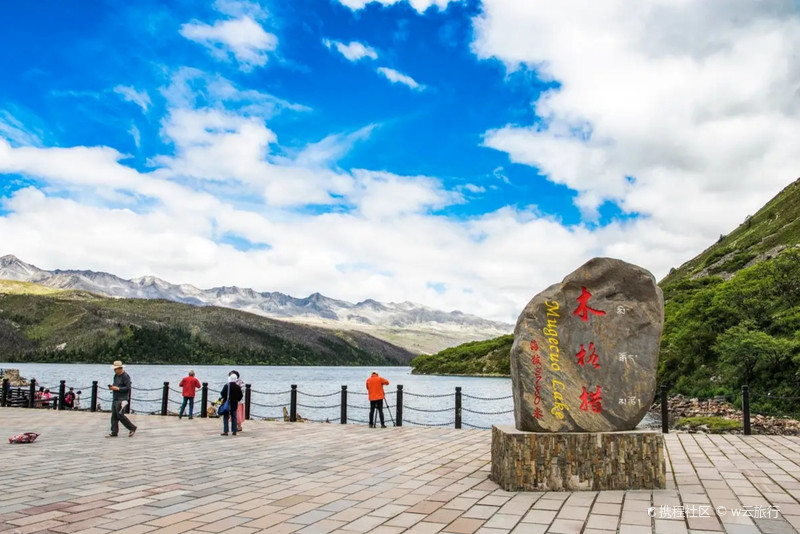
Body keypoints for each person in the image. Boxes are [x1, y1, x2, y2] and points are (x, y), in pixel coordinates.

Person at [107, 360, 137, 438]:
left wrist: (118, 388)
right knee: (114, 415)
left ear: (120, 368)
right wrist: (112, 387)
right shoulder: (115, 376)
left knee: (120, 415)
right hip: (115, 398)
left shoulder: (125, 376)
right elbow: (115, 385)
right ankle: (114, 431)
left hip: (122, 399)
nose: (114, 370)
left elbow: (128, 388)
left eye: (115, 369)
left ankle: (132, 427)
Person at [219, 371, 243, 436]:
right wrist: (237, 399)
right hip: (234, 404)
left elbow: (222, 393)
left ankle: (226, 431)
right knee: (234, 417)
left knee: (226, 417)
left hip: (227, 403)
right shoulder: (237, 387)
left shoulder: (227, 386)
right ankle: (234, 430)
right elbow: (240, 395)